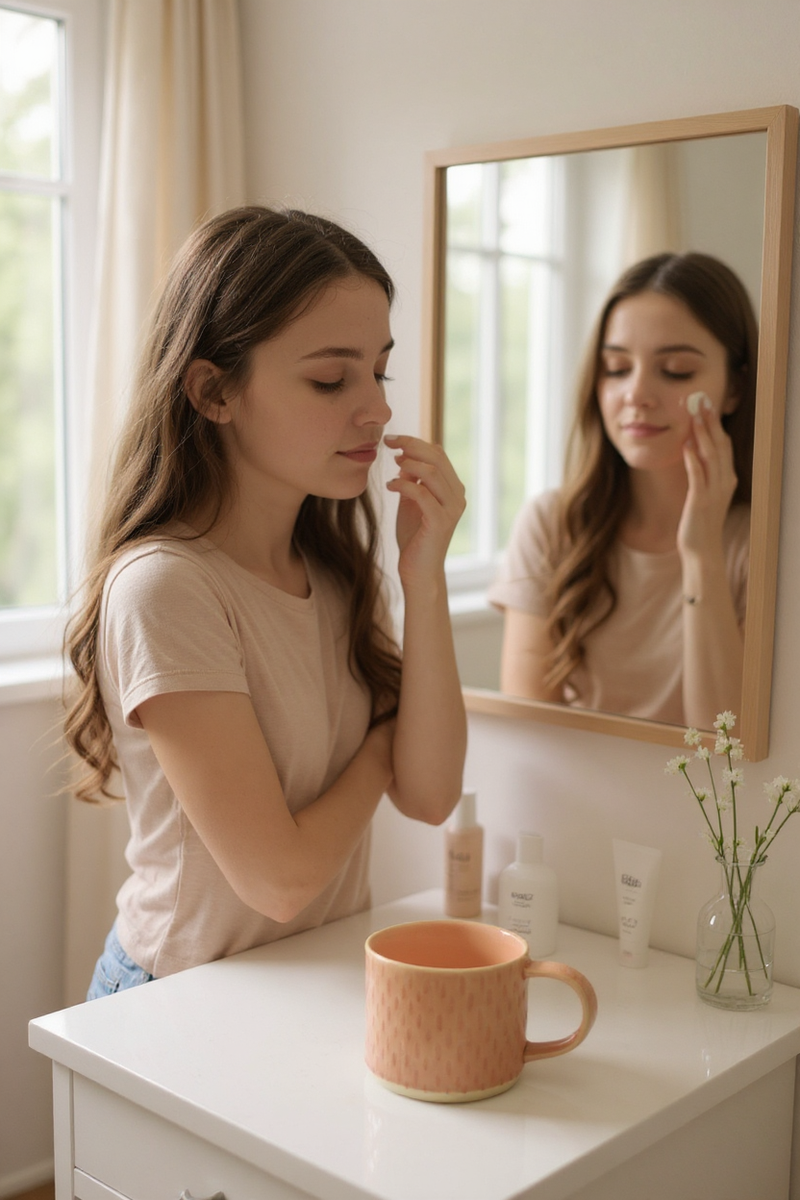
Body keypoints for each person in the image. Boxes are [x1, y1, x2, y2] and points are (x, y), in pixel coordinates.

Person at [65, 206, 467, 997]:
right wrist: (379, 750)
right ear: (213, 391)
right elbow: (278, 879)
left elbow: (429, 795)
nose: (377, 409)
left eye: (379, 370)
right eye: (330, 377)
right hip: (176, 996)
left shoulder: (336, 573)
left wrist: (427, 580)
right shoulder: (165, 587)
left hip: (302, 986)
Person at [488, 251, 757, 730]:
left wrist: (700, 554)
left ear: (734, 389)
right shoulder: (551, 525)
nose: (636, 393)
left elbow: (724, 747)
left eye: (675, 369)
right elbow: (531, 735)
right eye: (616, 368)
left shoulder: (760, 546)